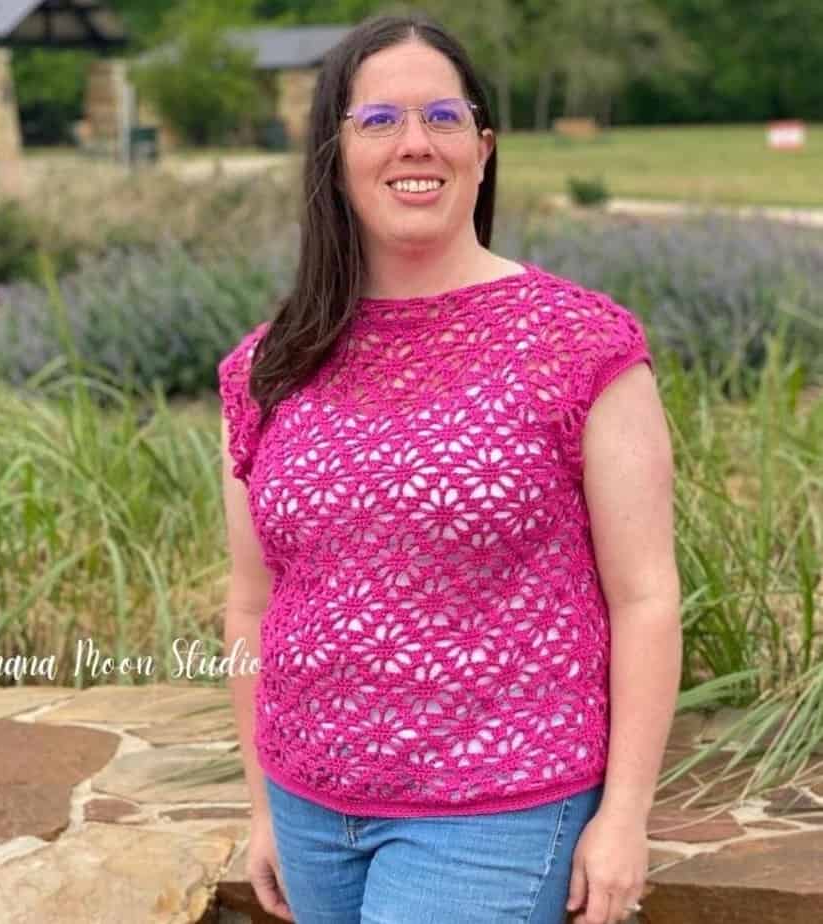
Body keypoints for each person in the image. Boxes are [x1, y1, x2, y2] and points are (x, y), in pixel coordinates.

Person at [217, 12, 681, 924]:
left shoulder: (580, 344)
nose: (414, 143)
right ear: (333, 153)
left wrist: (624, 815)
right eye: (379, 120)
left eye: (443, 116)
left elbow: (646, 596)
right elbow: (251, 601)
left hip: (498, 811)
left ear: (483, 146)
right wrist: (260, 798)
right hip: (310, 805)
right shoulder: (267, 365)